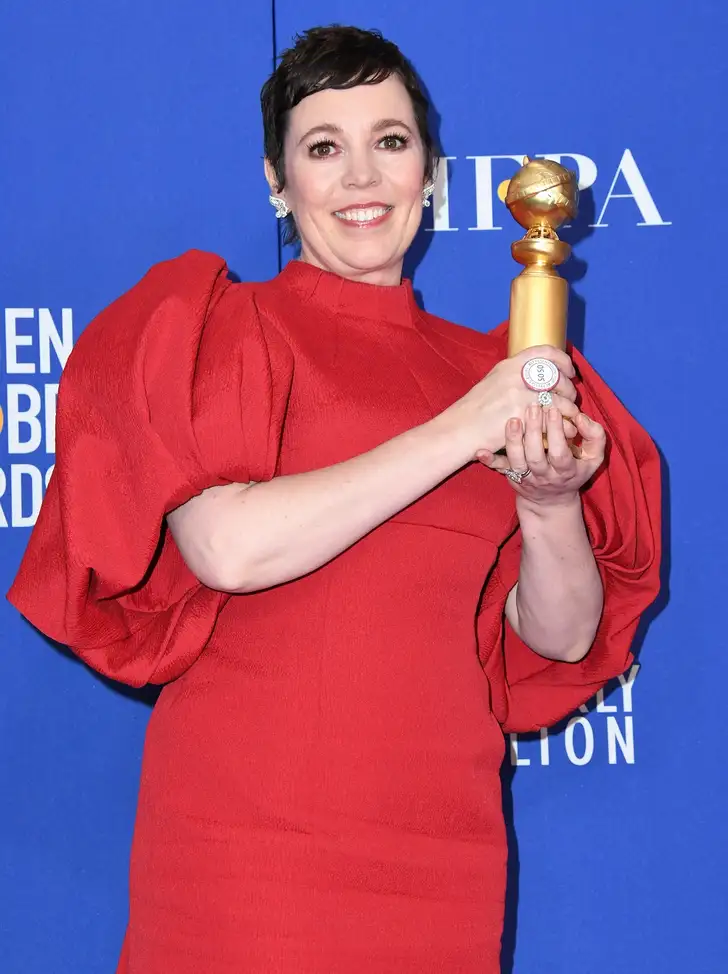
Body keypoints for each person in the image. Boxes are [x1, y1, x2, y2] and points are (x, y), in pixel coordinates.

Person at [7, 24, 661, 974]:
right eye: (324, 148)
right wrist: (461, 429)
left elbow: (558, 637)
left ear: (430, 174)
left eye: (390, 141)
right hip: (248, 856)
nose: (362, 175)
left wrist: (551, 501)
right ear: (278, 183)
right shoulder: (228, 331)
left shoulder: (490, 372)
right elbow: (229, 550)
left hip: (446, 854)